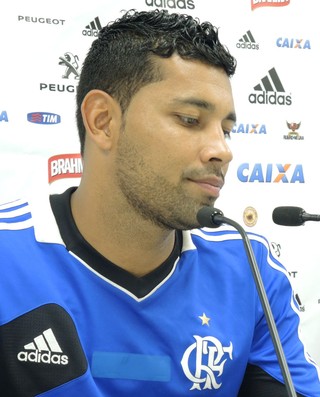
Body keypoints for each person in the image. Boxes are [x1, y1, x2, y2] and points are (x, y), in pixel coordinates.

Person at [0, 8, 319, 397]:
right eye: (189, 119)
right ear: (103, 121)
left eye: (227, 130)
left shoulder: (251, 269)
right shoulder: (8, 257)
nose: (222, 150)